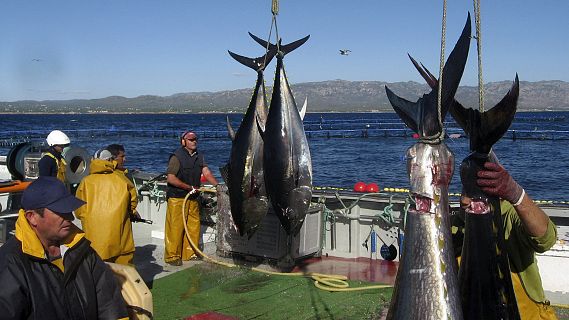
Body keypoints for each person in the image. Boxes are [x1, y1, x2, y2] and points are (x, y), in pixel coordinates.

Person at [0, 176, 128, 319]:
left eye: (69, 210)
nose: (70, 217)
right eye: (60, 211)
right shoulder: (10, 264)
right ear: (32, 217)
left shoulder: (83, 250)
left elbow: (110, 306)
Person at [459, 161, 558, 320]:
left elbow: (546, 239)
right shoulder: (455, 226)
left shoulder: (510, 216)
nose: (468, 201)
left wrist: (516, 195)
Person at [74, 149, 138, 266]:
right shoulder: (121, 178)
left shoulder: (85, 182)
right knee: (124, 268)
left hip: (95, 237)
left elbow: (78, 211)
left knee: (99, 269)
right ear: (110, 160)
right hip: (120, 234)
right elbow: (132, 202)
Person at [164, 131, 218, 266]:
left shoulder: (199, 156)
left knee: (193, 226)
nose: (194, 141)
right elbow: (171, 178)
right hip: (177, 198)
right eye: (191, 139)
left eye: (196, 139)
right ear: (183, 141)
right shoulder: (176, 157)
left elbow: (206, 172)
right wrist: (188, 187)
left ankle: (190, 253)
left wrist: (217, 186)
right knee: (175, 227)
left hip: (193, 197)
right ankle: (172, 256)